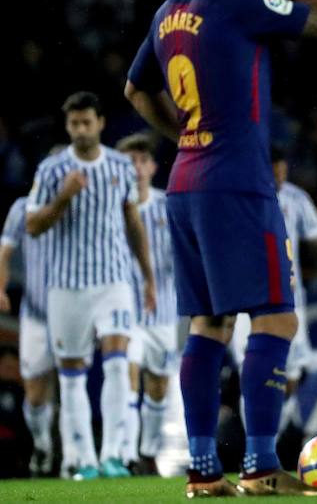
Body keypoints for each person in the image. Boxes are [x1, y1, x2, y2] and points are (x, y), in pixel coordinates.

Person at [123, 0, 317, 497]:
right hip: (237, 183)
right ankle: (261, 467)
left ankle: (202, 472)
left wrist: (185, 138)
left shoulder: (170, 9)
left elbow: (135, 90)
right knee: (276, 317)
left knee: (209, 324)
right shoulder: (242, 2)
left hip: (185, 183)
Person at [26, 91, 156, 480]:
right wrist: (63, 197)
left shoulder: (120, 166)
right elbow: (33, 225)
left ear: (100, 123)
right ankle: (83, 459)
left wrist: (147, 276)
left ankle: (113, 455)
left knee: (117, 364)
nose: (80, 130)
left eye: (86, 122)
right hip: (66, 286)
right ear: (68, 126)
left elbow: (133, 222)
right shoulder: (52, 170)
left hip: (114, 281)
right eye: (74, 124)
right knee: (72, 376)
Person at [230, 145, 317, 439]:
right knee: (254, 372)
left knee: (292, 375)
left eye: (283, 172)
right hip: (248, 302)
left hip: (290, 301)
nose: (280, 179)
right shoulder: (238, 199)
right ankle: (255, 445)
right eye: (274, 174)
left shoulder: (296, 199)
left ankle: (274, 440)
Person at [115, 134, 178, 476]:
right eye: (130, 161)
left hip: (163, 313)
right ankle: (126, 454)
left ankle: (148, 452)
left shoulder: (168, 205)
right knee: (127, 381)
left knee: (158, 388)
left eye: (142, 160)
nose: (136, 168)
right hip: (124, 314)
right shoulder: (109, 207)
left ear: (153, 167)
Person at [0, 193, 55, 476]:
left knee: (73, 382)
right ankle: (42, 443)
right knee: (35, 393)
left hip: (74, 309)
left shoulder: (82, 203)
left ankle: (78, 458)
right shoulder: (22, 208)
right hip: (34, 312)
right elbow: (5, 249)